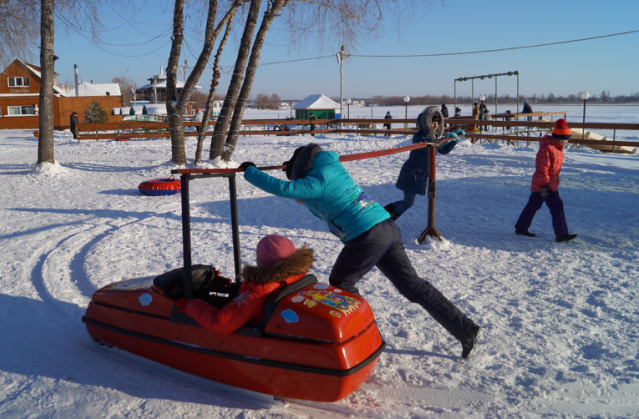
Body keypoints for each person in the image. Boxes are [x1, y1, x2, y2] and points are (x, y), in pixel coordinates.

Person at [239, 142, 480, 358]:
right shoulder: (331, 167)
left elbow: (285, 189)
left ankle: (365, 339)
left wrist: (250, 171)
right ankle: (464, 327)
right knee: (412, 285)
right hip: (386, 226)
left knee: (341, 283)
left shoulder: (316, 180)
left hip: (366, 235)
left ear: (302, 171)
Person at [175, 235, 313, 334]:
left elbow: (220, 323)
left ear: (261, 260)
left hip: (254, 335)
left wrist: (191, 306)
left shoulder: (259, 291)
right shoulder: (298, 275)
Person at [385, 106, 464, 220]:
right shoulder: (419, 136)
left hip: (419, 173)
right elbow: (430, 147)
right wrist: (445, 139)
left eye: (437, 123)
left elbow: (443, 150)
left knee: (407, 202)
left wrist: (454, 140)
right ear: (426, 123)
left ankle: (384, 216)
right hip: (412, 173)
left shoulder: (433, 136)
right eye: (433, 123)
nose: (435, 125)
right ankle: (388, 222)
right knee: (408, 203)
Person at [514, 119, 577, 242]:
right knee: (557, 206)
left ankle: (521, 227)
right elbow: (542, 168)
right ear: (558, 138)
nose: (566, 142)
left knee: (534, 205)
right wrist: (546, 185)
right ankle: (561, 235)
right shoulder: (547, 149)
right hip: (544, 185)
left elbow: (555, 170)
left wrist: (556, 183)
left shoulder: (557, 149)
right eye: (565, 139)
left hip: (545, 184)